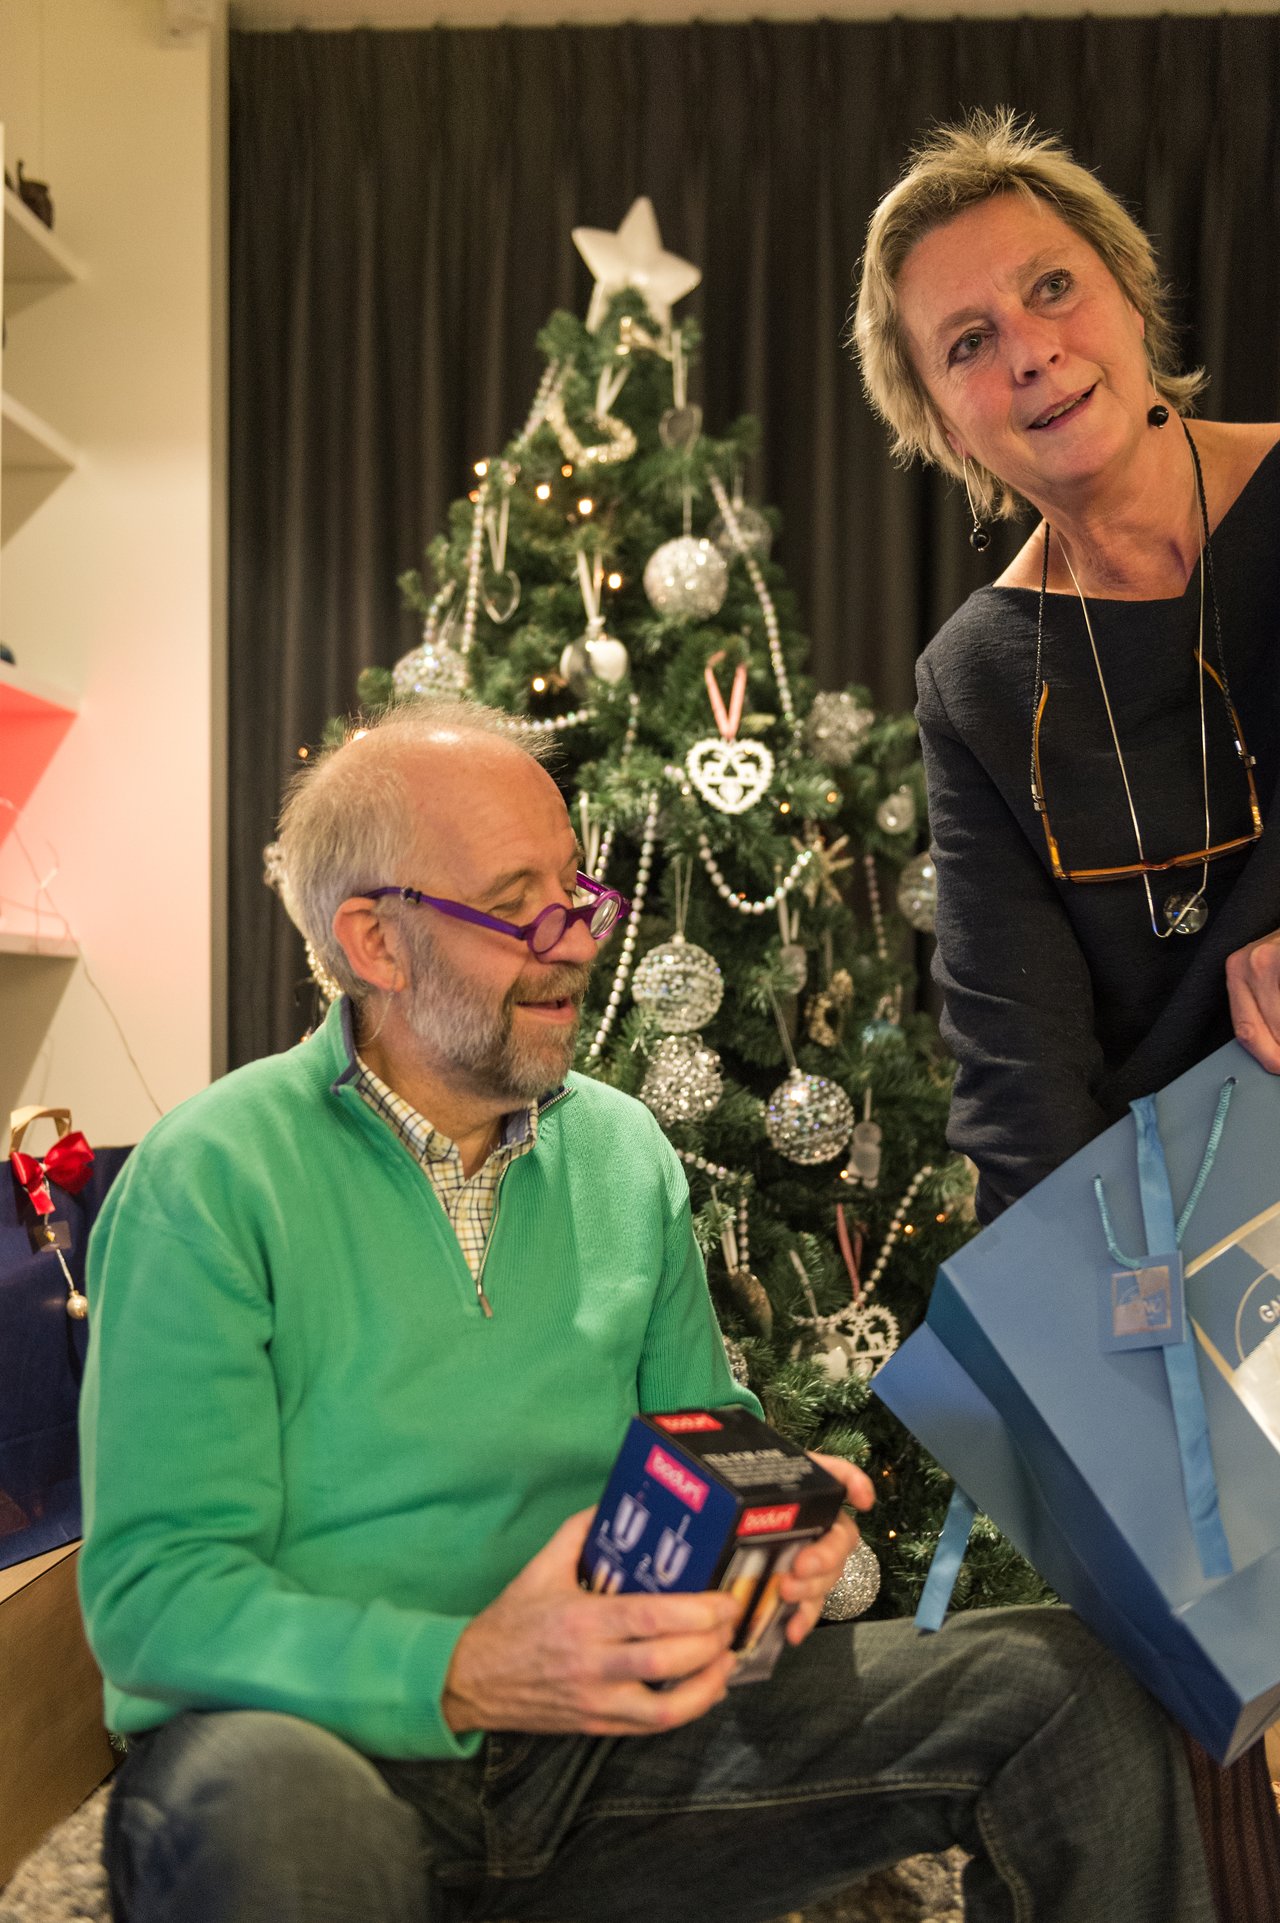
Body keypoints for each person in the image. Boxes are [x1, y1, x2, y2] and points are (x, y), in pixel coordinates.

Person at [80, 701, 1215, 1923]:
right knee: (282, 1822)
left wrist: (779, 1523)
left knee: (1064, 1686)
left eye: (579, 891)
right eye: (523, 903)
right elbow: (157, 1600)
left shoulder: (622, 1151)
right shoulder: (211, 1176)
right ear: (376, 942)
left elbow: (701, 1439)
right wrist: (460, 1671)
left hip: (599, 1761)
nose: (576, 940)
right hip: (310, 1749)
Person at [853, 108, 1280, 1917]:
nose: (1028, 347)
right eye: (968, 342)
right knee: (1228, 1733)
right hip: (1202, 1257)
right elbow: (1014, 1067)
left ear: (1128, 291)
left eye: (1051, 288)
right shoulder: (978, 677)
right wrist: (1138, 1379)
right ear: (940, 417)